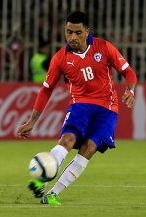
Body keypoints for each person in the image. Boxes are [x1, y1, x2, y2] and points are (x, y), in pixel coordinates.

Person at [16, 11, 137, 206]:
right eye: (68, 32)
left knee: (89, 149)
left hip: (107, 108)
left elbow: (128, 72)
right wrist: (32, 121)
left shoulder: (104, 47)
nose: (72, 37)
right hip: (80, 105)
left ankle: (53, 194)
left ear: (87, 31)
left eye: (77, 32)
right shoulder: (60, 58)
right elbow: (46, 90)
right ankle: (41, 179)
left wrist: (130, 92)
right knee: (67, 139)